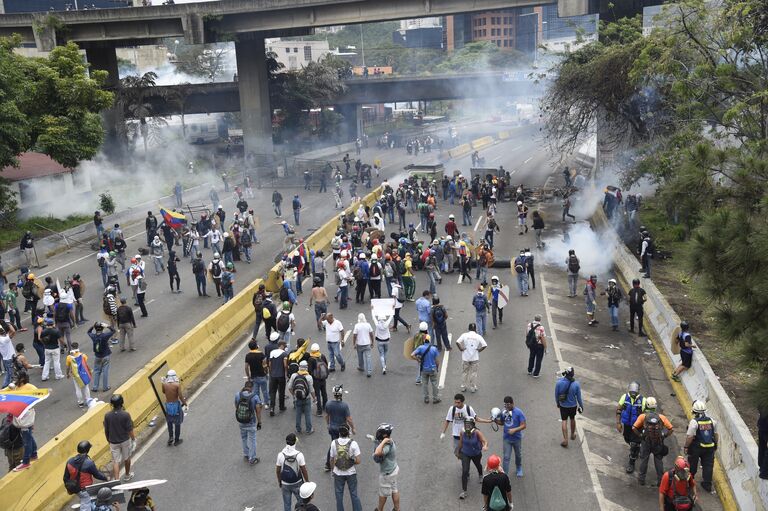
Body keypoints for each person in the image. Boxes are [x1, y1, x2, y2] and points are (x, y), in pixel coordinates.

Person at [633, 396, 674, 486]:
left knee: (644, 460)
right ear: (655, 406)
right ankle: (660, 481)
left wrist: (641, 436)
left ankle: (641, 480)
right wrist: (664, 436)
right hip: (658, 442)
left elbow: (634, 428)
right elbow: (671, 429)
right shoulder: (661, 417)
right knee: (658, 461)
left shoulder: (643, 416)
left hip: (646, 442)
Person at [63, 440, 109, 511]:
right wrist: (106, 478)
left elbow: (65, 478)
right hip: (85, 490)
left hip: (76, 488)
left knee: (87, 502)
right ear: (87, 450)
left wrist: (69, 488)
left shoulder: (69, 461)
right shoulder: (89, 463)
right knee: (86, 504)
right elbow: (97, 475)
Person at [685, 400, 718, 493]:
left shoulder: (694, 422)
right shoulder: (712, 421)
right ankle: (707, 485)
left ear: (694, 411)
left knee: (692, 465)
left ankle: (689, 482)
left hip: (696, 447)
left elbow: (690, 437)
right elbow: (715, 435)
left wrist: (686, 446)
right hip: (709, 447)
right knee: (708, 466)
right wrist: (716, 445)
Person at [329, 424, 363, 511]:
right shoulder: (353, 443)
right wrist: (350, 461)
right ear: (348, 433)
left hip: (338, 472)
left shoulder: (334, 443)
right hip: (350, 472)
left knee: (339, 495)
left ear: (339, 433)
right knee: (354, 494)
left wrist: (333, 470)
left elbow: (332, 459)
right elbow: (358, 461)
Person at [104, 394, 136, 481]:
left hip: (113, 442)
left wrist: (109, 440)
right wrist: (133, 439)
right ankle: (127, 475)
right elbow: (130, 430)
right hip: (125, 440)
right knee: (127, 458)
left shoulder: (107, 415)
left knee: (116, 461)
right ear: (121, 403)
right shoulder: (125, 415)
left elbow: (106, 430)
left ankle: (117, 480)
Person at [616, 382, 646, 473]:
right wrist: (618, 423)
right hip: (627, 426)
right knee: (627, 439)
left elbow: (646, 414)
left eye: (635, 392)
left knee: (633, 444)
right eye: (632, 392)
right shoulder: (624, 397)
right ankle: (637, 448)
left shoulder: (643, 400)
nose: (633, 394)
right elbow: (619, 410)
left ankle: (631, 463)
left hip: (637, 426)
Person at [325, 384, 356, 471]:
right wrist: (353, 428)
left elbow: (327, 416)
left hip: (332, 428)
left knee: (333, 445)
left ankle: (328, 464)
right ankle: (346, 461)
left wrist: (328, 425)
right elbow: (349, 419)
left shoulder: (328, 404)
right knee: (346, 444)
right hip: (342, 429)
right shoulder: (344, 405)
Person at [276, 432, 310, 511]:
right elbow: (303, 470)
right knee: (301, 503)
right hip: (297, 482)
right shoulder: (299, 455)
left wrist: (279, 481)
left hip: (285, 483)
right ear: (295, 442)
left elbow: (278, 470)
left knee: (287, 504)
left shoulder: (281, 455)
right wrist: (307, 481)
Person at [457, 418, 488, 500]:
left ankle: (481, 475)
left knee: (478, 465)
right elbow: (460, 443)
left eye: (469, 424)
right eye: (465, 424)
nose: (467, 426)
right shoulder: (462, 432)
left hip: (476, 453)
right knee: (465, 471)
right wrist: (458, 452)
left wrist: (485, 446)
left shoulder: (477, 432)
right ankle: (464, 491)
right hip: (465, 453)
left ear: (473, 425)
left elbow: (485, 441)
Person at [372, 423, 400, 511]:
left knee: (383, 493)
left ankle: (379, 509)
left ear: (384, 434)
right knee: (394, 489)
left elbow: (377, 452)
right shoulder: (390, 441)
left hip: (387, 473)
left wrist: (383, 441)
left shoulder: (387, 445)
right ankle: (397, 509)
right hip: (394, 470)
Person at [235, 380, 263, 464]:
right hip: (251, 422)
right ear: (252, 388)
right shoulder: (255, 397)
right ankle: (252, 458)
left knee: (244, 438)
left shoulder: (238, 395)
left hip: (241, 421)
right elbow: (258, 410)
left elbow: (236, 406)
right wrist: (259, 422)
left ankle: (246, 454)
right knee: (252, 440)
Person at [555, 367, 583, 448]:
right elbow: (579, 398)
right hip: (573, 406)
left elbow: (556, 395)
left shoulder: (559, 383)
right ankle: (572, 434)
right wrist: (581, 406)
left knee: (564, 420)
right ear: (573, 374)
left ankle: (565, 440)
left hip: (563, 405)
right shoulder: (576, 384)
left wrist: (557, 403)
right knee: (572, 419)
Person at [455, 323, 487, 393]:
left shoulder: (464, 335)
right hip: (475, 358)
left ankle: (463, 386)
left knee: (465, 372)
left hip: (465, 357)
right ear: (475, 329)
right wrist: (479, 350)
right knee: (473, 373)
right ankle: (472, 387)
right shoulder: (478, 336)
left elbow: (457, 342)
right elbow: (485, 345)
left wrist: (461, 349)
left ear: (468, 328)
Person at [288, 360, 316, 434]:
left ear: (299, 367)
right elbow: (311, 389)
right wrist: (314, 398)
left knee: (298, 414)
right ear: (306, 367)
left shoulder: (294, 375)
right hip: (307, 398)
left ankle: (298, 429)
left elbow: (289, 387)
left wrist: (294, 395)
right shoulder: (309, 377)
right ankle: (309, 429)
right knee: (307, 414)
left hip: (297, 398)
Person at [412, 334, 440, 404]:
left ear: (424, 340)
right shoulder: (434, 348)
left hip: (424, 369)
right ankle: (435, 398)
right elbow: (437, 361)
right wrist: (437, 368)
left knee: (425, 384)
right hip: (432, 369)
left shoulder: (420, 348)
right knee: (434, 384)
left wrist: (418, 359)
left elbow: (412, 355)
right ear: (430, 340)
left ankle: (426, 398)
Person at [162, 369, 187, 446]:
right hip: (176, 405)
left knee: (169, 422)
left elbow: (163, 392)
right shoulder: (177, 385)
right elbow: (180, 396)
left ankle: (170, 437)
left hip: (168, 405)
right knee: (177, 423)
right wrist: (185, 403)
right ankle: (176, 440)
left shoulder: (164, 384)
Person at [65, 343, 92, 408]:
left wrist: (67, 374)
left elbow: (68, 367)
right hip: (83, 373)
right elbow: (85, 364)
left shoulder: (69, 357)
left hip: (75, 374)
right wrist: (89, 371)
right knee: (86, 387)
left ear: (71, 348)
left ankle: (80, 402)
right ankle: (88, 400)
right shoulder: (83, 355)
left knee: (78, 389)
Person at [245, 339, 269, 409]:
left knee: (256, 391)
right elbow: (264, 365)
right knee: (264, 391)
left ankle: (259, 403)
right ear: (256, 346)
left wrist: (248, 376)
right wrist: (266, 373)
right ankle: (266, 404)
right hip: (262, 375)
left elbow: (246, 367)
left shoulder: (248, 356)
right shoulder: (261, 354)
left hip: (253, 376)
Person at [268, 338, 288, 417]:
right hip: (281, 375)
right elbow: (285, 365)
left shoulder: (272, 352)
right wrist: (286, 373)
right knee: (281, 391)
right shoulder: (284, 354)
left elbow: (270, 364)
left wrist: (271, 372)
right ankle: (281, 406)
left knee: (272, 392)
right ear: (282, 346)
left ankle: (272, 408)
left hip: (273, 375)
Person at [308, 343, 329, 415]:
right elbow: (326, 365)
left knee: (317, 394)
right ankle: (325, 407)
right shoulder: (322, 356)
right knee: (324, 393)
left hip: (315, 379)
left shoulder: (311, 359)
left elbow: (310, 371)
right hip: (323, 378)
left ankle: (319, 410)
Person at [352, 313, 374, 377]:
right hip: (367, 344)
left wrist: (354, 344)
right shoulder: (368, 325)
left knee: (360, 357)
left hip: (359, 344)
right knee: (368, 358)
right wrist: (372, 342)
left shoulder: (357, 325)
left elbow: (354, 336)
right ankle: (369, 371)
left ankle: (361, 367)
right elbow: (371, 334)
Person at [0, 322, 17, 388]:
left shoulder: (3, 337)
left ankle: (4, 387)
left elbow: (10, 332)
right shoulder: (4, 339)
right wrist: (8, 324)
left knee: (8, 374)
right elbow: (13, 331)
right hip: (9, 359)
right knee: (12, 375)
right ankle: (11, 388)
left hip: (6, 359)